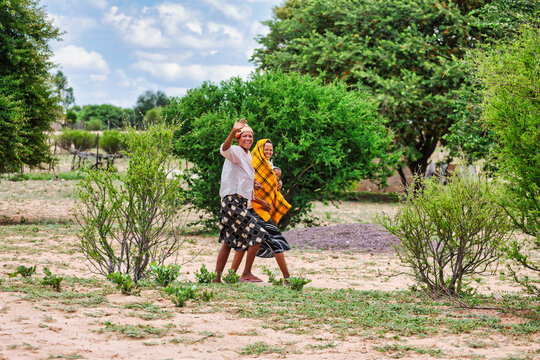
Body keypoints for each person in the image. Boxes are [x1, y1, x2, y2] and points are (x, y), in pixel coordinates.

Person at [213, 119, 272, 283]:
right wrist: (232, 131)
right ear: (239, 138)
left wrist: (254, 188)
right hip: (231, 201)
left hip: (238, 202)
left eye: (251, 136)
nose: (249, 138)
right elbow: (224, 149)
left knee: (228, 241)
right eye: (245, 135)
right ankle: (246, 273)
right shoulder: (234, 150)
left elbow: (243, 184)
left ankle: (216, 278)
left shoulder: (247, 156)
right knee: (257, 233)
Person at [231, 139, 292, 283]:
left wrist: (278, 183)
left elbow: (269, 183)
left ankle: (235, 274)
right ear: (259, 149)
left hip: (260, 208)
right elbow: (245, 187)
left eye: (271, 150)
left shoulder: (268, 166)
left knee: (247, 241)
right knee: (276, 239)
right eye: (266, 149)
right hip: (255, 208)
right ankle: (287, 278)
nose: (269, 152)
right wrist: (261, 202)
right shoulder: (253, 164)